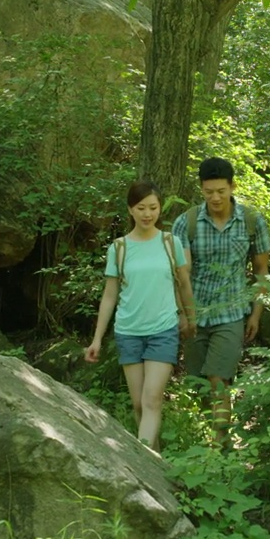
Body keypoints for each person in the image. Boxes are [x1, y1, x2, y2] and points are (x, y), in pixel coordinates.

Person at [85, 180, 196, 453]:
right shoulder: (119, 248)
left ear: (160, 208)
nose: (148, 214)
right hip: (128, 331)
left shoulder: (171, 243)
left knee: (152, 400)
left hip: (163, 329)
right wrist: (97, 338)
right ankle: (153, 460)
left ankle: (144, 459)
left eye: (153, 207)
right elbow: (110, 295)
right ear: (130, 210)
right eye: (141, 208)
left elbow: (183, 283)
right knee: (138, 404)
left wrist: (191, 318)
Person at [172, 158, 270, 446]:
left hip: (231, 313)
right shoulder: (186, 222)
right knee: (200, 384)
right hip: (195, 314)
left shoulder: (252, 221)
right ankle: (209, 442)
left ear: (232, 187)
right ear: (201, 190)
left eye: (220, 191)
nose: (215, 198)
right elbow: (180, 275)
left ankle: (220, 446)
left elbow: (262, 272)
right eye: (208, 191)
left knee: (219, 380)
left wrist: (255, 314)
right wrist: (182, 314)